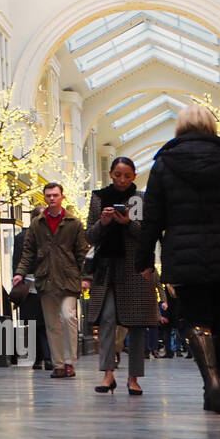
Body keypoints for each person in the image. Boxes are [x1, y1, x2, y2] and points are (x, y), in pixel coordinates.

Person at [137, 104, 220, 414]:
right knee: (219, 314)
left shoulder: (164, 163)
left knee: (193, 318)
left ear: (180, 127)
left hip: (181, 251)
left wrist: (144, 260)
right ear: (211, 125)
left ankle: (212, 384)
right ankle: (216, 384)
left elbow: (151, 216)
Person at [85, 156, 159, 396]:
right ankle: (108, 374)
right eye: (118, 174)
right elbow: (90, 236)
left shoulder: (141, 200)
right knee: (106, 318)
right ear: (111, 174)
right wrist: (104, 222)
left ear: (135, 176)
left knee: (136, 323)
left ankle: (133, 377)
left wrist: (127, 223)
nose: (122, 180)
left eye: (127, 175)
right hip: (106, 269)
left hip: (134, 268)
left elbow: (147, 235)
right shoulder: (98, 197)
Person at [13, 183, 90, 378]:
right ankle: (58, 364)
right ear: (45, 198)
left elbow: (83, 252)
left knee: (68, 317)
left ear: (62, 197)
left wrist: (86, 277)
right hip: (46, 279)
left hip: (69, 279)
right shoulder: (37, 224)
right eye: (48, 196)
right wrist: (20, 272)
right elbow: (28, 251)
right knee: (51, 324)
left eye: (55, 195)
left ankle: (70, 361)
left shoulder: (74, 223)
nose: (52, 199)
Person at [11, 207, 53, 370]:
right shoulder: (36, 236)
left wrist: (18, 277)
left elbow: (17, 261)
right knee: (42, 322)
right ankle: (45, 357)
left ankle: (40, 358)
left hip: (31, 283)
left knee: (36, 322)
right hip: (36, 283)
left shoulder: (21, 237)